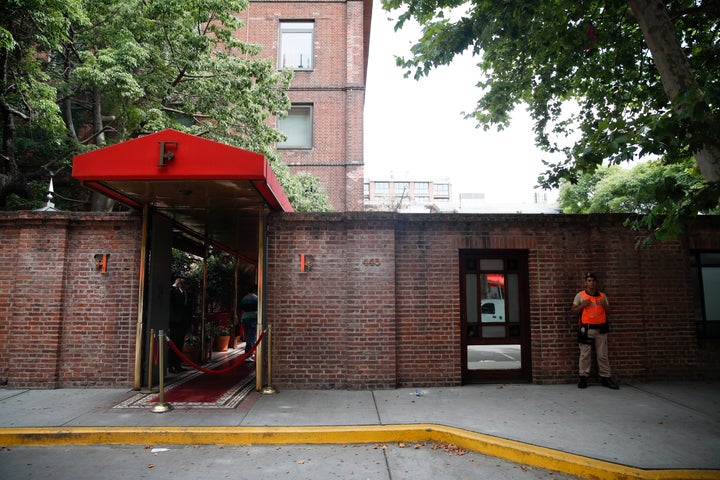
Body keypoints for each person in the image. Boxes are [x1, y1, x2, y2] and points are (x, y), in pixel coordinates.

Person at [571, 272, 619, 390]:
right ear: (585, 282)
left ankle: (605, 378)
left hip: (601, 329)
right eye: (589, 280)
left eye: (593, 280)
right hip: (586, 329)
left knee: (603, 355)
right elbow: (574, 311)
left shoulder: (602, 296)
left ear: (596, 283)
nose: (591, 283)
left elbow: (609, 311)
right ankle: (583, 378)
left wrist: (604, 305)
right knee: (585, 355)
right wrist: (583, 305)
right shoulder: (580, 295)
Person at [168, 277, 192, 374]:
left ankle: (177, 364)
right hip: (175, 322)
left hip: (182, 322)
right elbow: (170, 297)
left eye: (185, 283)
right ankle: (171, 365)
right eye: (182, 283)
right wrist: (174, 284)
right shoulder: (174, 291)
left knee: (180, 344)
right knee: (173, 344)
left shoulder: (185, 293)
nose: (184, 285)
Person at [240, 285, 258, 362]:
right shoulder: (256, 298)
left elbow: (241, 308)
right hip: (253, 317)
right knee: (252, 337)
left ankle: (249, 353)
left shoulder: (244, 298)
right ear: (255, 290)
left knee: (248, 337)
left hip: (245, 318)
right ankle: (249, 354)